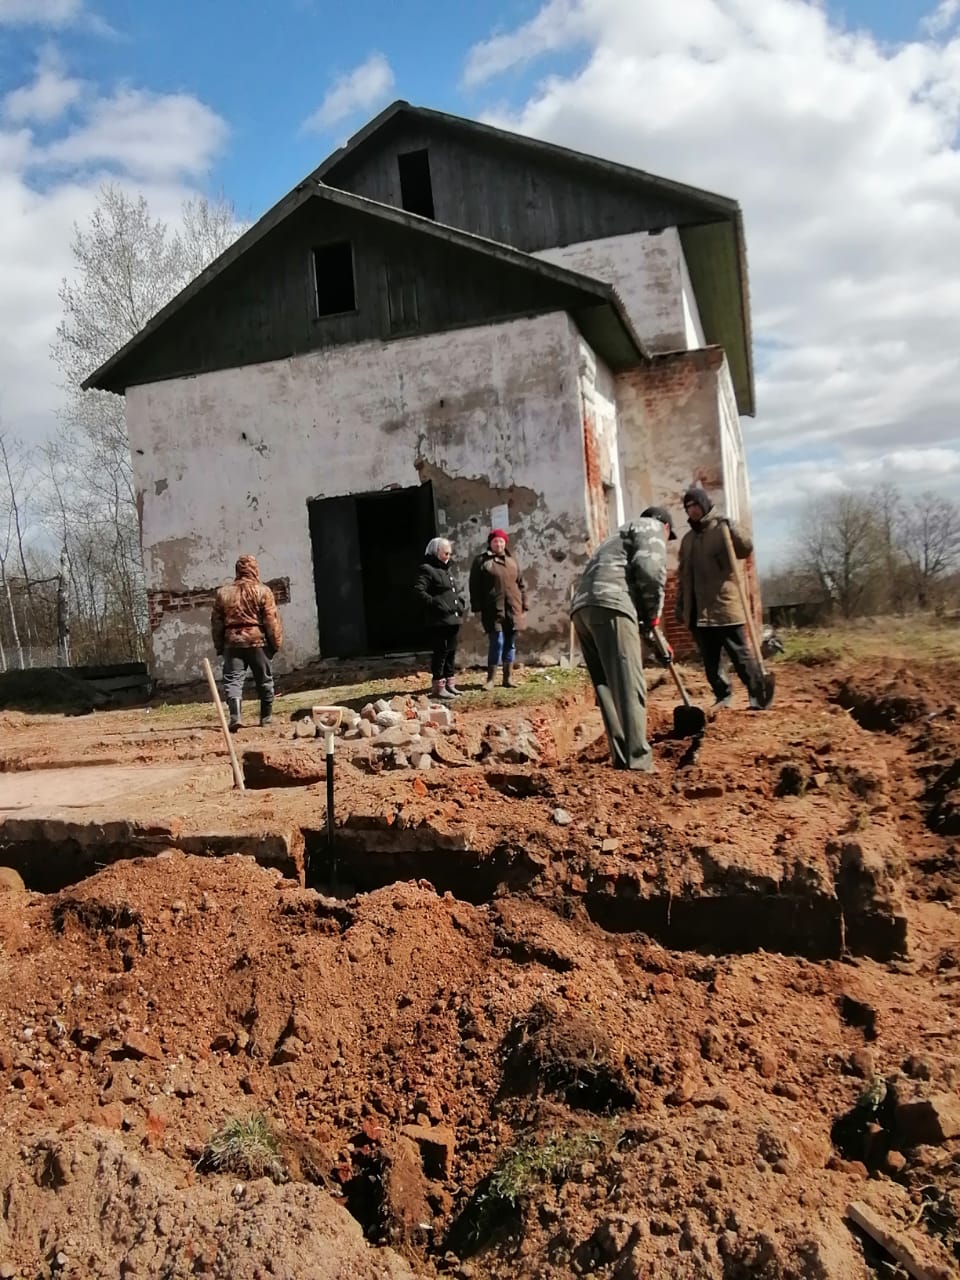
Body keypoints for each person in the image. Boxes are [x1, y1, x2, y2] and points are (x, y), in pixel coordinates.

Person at [570, 508, 674, 772]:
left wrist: (651, 632)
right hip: (611, 604)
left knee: (605, 686)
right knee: (629, 683)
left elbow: (630, 580)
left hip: (583, 608)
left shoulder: (617, 535)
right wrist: (652, 618)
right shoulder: (651, 528)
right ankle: (638, 760)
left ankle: (621, 758)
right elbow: (649, 571)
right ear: (666, 527)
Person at [676, 486, 764, 709]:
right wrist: (681, 606)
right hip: (698, 611)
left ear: (704, 504)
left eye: (695, 505)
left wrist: (733, 526)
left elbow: (745, 549)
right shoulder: (687, 541)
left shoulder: (722, 530)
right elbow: (683, 576)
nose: (692, 511)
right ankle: (723, 696)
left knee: (740, 655)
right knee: (711, 660)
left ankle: (757, 694)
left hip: (724, 606)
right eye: (688, 507)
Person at [211, 554, 283, 731]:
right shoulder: (263, 591)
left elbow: (216, 622)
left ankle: (235, 717)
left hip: (232, 642)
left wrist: (219, 645)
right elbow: (271, 621)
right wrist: (275, 644)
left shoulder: (223, 593)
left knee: (233, 680)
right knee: (264, 679)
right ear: (254, 569)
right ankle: (265, 717)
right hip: (257, 641)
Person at [469, 528, 528, 690]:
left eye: (501, 541)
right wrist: (477, 607)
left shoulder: (512, 561)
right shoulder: (481, 561)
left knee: (510, 643)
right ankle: (490, 679)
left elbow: (521, 585)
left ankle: (507, 679)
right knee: (497, 642)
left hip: (513, 609)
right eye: (495, 541)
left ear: (505, 543)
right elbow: (474, 586)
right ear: (490, 543)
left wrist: (524, 605)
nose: (498, 544)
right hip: (492, 609)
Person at [414, 537, 466, 699]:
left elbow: (451, 593)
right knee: (441, 653)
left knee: (451, 652)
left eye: (450, 553)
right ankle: (438, 686)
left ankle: (450, 684)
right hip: (440, 621)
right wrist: (437, 604)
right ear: (436, 552)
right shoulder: (427, 569)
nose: (448, 556)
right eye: (445, 553)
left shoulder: (446, 571)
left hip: (452, 619)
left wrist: (460, 604)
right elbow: (418, 591)